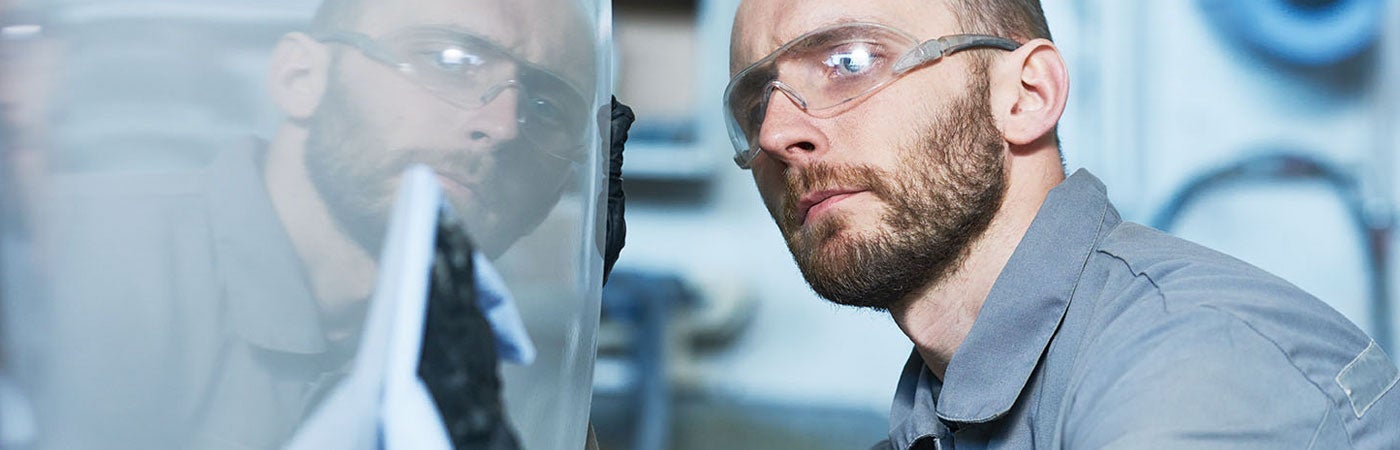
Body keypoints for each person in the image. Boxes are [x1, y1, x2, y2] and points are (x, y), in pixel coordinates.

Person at [724, 0, 1400, 448]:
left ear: (1027, 97)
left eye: (848, 63)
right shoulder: (942, 405)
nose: (779, 134)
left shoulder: (1184, 373)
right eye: (756, 108)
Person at [1, 0, 629, 448]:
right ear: (299, 77)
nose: (500, 126)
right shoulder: (88, 264)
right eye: (450, 58)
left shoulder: (484, 338)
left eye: (547, 106)